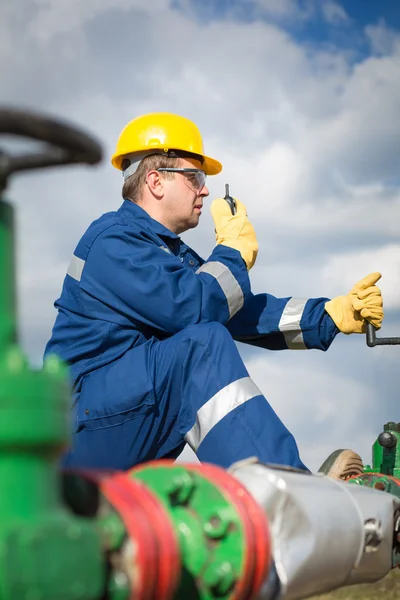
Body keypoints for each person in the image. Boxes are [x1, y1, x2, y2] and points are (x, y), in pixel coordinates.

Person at [44, 112, 384, 479]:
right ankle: (283, 491)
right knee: (201, 347)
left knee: (205, 338)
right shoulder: (113, 241)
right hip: (76, 428)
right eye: (195, 177)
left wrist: (330, 315)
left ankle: (280, 492)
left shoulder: (161, 251)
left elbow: (230, 310)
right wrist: (232, 252)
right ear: (156, 181)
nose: (204, 189)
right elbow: (193, 309)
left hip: (105, 420)